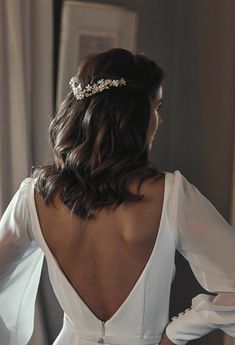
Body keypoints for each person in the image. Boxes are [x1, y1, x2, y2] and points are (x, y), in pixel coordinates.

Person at [0, 48, 234, 345]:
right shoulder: (171, 196)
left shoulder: (35, 198)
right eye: (157, 107)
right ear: (134, 116)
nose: (157, 122)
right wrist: (177, 332)